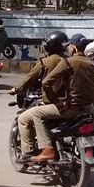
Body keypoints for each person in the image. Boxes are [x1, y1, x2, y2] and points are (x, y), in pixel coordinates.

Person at [30, 33, 94, 164]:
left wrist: (57, 102)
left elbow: (46, 82)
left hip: (71, 109)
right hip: (89, 109)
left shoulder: (68, 62)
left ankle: (47, 150)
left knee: (36, 115)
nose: (67, 49)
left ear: (73, 48)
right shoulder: (92, 64)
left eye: (68, 46)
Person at [9, 30, 68, 159]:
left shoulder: (45, 62)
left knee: (23, 119)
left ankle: (28, 151)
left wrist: (15, 89)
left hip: (54, 104)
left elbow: (29, 80)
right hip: (72, 103)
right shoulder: (70, 61)